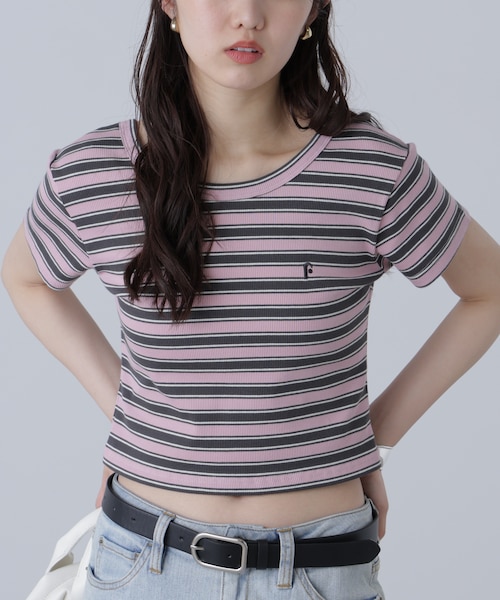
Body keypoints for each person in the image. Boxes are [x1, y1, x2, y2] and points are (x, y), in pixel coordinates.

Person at [2, 1, 500, 598]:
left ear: (314, 9)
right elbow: (25, 277)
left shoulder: (372, 169)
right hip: (141, 563)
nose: (248, 14)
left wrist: (374, 436)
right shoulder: (96, 173)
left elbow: (489, 290)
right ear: (170, 4)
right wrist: (126, 412)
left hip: (319, 567)